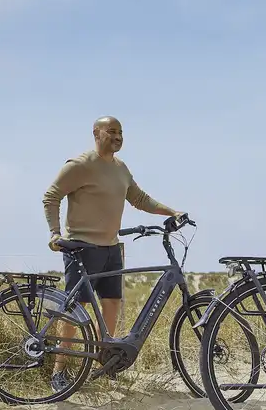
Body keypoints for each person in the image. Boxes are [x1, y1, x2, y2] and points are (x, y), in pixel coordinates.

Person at [42, 116, 184, 392]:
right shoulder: (80, 165)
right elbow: (51, 195)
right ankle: (60, 370)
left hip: (111, 247)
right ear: (96, 133)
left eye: (121, 132)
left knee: (112, 305)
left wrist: (172, 211)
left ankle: (102, 365)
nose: (118, 137)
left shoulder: (120, 168)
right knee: (75, 310)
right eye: (112, 131)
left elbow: (140, 199)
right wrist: (54, 233)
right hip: (82, 247)